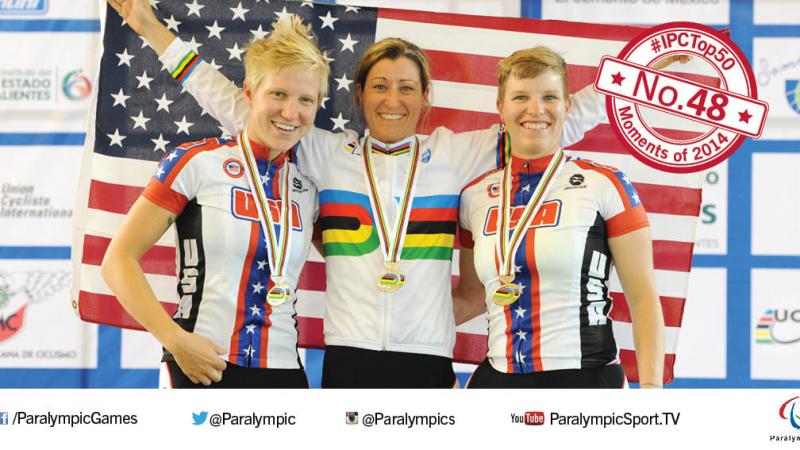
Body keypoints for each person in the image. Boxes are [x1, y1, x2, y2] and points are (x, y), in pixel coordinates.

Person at [108, 0, 610, 387]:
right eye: (380, 87)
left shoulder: (457, 153)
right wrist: (153, 31)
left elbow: (543, 121)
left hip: (429, 359)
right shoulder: (323, 152)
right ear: (360, 96)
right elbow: (233, 103)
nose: (393, 100)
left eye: (407, 88)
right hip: (348, 354)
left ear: (425, 97)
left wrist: (630, 83)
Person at [100, 15, 330, 388]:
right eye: (278, 94)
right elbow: (117, 261)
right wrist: (174, 340)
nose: (291, 113)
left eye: (306, 99)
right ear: (250, 93)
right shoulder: (196, 162)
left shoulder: (310, 184)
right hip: (201, 365)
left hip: (286, 374)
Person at [457, 47, 665, 388]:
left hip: (586, 380)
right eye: (520, 96)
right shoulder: (474, 196)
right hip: (497, 379)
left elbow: (643, 297)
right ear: (501, 107)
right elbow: (468, 297)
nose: (535, 109)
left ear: (567, 106)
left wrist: (651, 392)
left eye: (549, 97)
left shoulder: (607, 184)